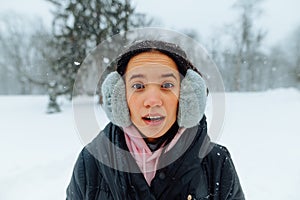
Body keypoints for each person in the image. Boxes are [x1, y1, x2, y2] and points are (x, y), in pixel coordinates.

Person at [66, 40, 245, 200]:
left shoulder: (216, 163)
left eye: (167, 85)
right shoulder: (90, 162)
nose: (153, 101)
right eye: (138, 86)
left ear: (187, 95)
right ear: (119, 95)